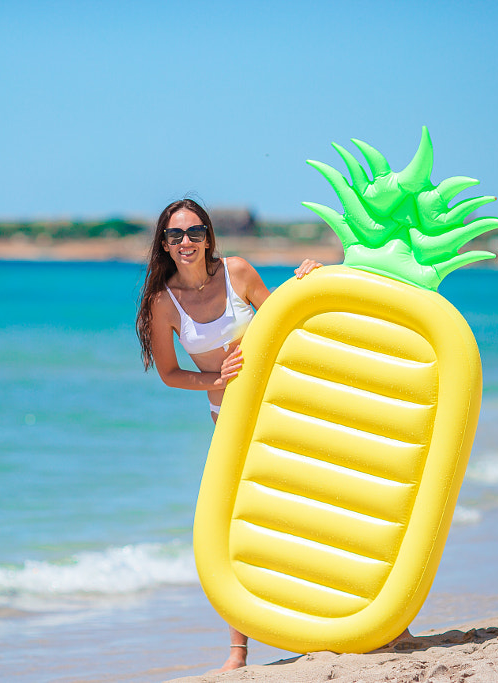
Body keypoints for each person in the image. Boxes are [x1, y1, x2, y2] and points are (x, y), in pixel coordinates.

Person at [135, 198, 322, 671]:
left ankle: (343, 616)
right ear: (164, 243)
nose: (186, 242)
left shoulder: (237, 271)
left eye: (194, 232)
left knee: (311, 509)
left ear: (208, 236)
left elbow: (284, 313)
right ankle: (238, 651)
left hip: (281, 401)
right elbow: (170, 373)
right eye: (176, 235)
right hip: (230, 417)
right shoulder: (165, 302)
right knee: (241, 528)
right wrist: (215, 382)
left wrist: (308, 278)